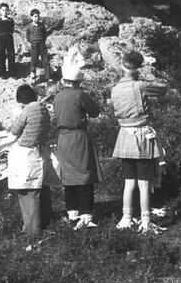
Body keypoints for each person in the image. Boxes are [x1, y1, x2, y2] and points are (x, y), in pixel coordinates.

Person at [111, 51, 167, 233]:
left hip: (124, 136)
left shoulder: (115, 88)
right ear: (138, 67)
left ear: (122, 66)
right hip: (141, 136)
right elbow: (162, 89)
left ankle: (126, 217)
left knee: (129, 182)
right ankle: (145, 220)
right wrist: (146, 74)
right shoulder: (141, 86)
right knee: (144, 183)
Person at [53, 49, 100, 230]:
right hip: (78, 137)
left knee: (69, 176)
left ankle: (72, 212)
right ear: (78, 81)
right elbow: (95, 112)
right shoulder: (80, 95)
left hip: (63, 138)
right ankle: (86, 214)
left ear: (64, 81)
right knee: (84, 175)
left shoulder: (57, 96)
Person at [0, 84, 52, 234]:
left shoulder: (27, 110)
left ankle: (31, 230)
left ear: (20, 101)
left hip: (26, 155)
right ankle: (45, 221)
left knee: (27, 193)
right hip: (40, 152)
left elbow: (14, 133)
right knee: (41, 188)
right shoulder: (43, 108)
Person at [25, 8, 51, 82]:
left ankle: (48, 77)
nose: (37, 18)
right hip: (34, 45)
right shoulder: (29, 27)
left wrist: (42, 41)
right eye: (35, 16)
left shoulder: (42, 26)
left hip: (42, 44)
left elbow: (45, 35)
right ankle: (33, 77)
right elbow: (27, 37)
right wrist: (33, 42)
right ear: (31, 17)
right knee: (34, 61)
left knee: (45, 61)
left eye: (38, 16)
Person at [0, 3, 16, 79]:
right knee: (1, 55)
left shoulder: (11, 20)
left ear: (8, 11)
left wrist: (8, 35)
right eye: (3, 10)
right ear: (0, 11)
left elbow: (12, 30)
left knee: (11, 55)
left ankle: (12, 73)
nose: (4, 11)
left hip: (9, 38)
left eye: (6, 10)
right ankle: (2, 73)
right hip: (1, 38)